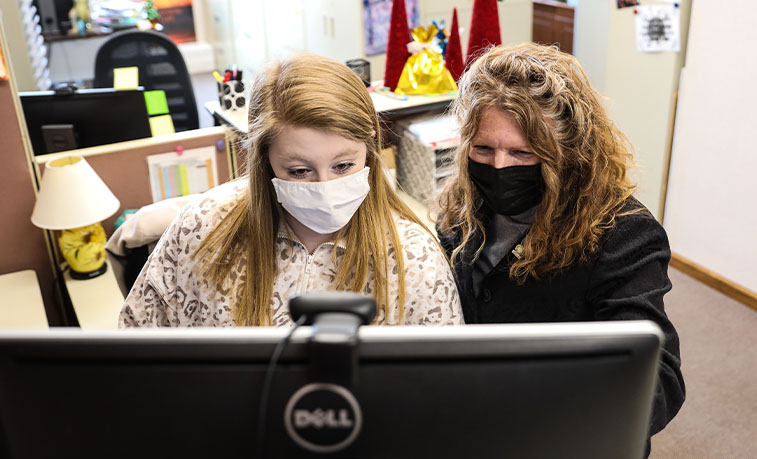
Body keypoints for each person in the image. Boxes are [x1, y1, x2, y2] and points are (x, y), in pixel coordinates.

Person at [435, 43, 684, 453]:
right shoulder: (461, 208)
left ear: (567, 152)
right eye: (483, 149)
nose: (498, 167)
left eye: (522, 152)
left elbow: (660, 384)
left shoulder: (624, 233)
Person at [120, 53, 462, 327]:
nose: (325, 188)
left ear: (370, 142)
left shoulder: (414, 259)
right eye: (299, 171)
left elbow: (444, 391)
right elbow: (136, 346)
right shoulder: (201, 228)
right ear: (264, 159)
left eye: (344, 166)